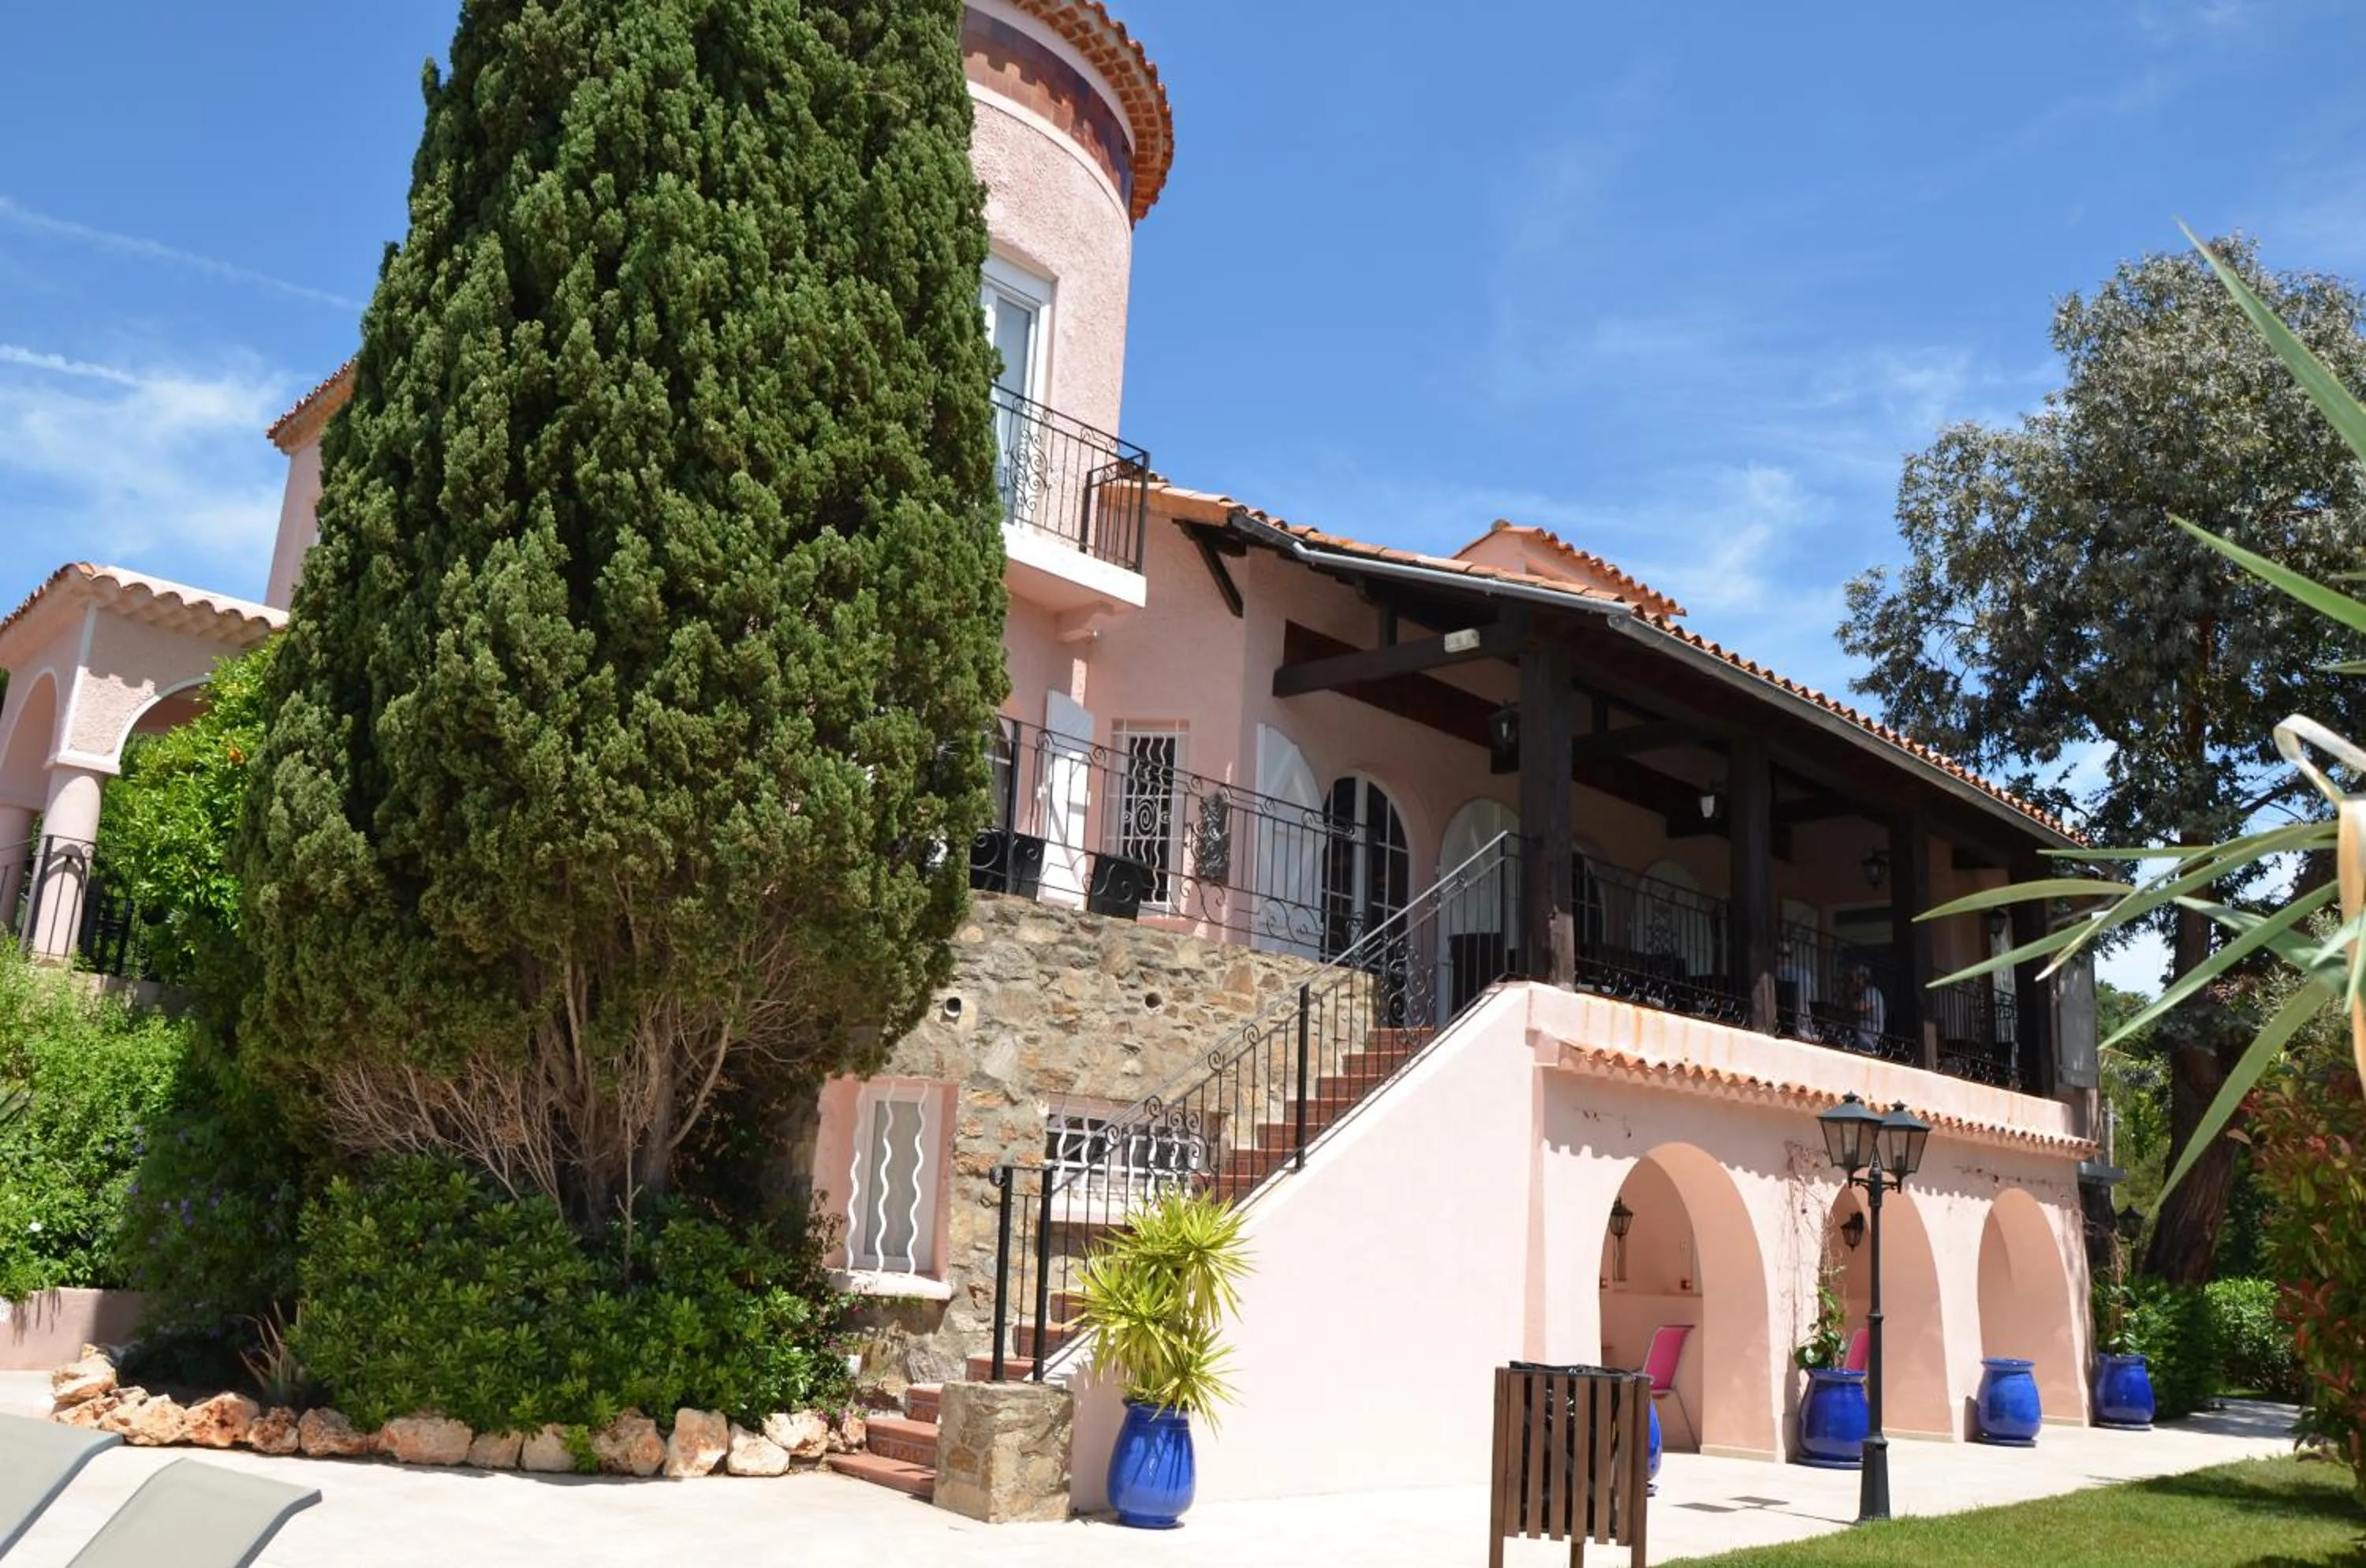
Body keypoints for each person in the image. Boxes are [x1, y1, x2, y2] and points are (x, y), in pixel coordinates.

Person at [1776, 938, 1818, 1037]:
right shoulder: (1776, 974)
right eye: (1779, 954)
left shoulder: (1796, 973)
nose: (1781, 958)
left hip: (1800, 1023)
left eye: (1786, 955)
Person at [1852, 965, 1887, 1054]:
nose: (1854, 983)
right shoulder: (1866, 993)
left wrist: (1851, 997)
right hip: (1865, 1035)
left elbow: (1861, 1007)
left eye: (1854, 980)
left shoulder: (1871, 992)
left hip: (1867, 1037)